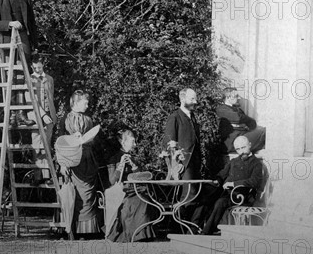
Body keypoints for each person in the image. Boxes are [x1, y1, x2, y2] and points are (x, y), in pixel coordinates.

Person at [58, 90, 102, 236]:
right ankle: (72, 230)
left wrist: (87, 139)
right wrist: (63, 164)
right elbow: (60, 142)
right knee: (74, 194)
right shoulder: (65, 118)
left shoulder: (88, 120)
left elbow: (93, 139)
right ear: (76, 102)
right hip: (72, 159)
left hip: (88, 160)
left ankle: (89, 231)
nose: (88, 105)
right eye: (85, 102)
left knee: (88, 194)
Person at [201, 136, 264, 235]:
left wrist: (234, 184)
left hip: (243, 196)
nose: (241, 151)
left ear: (250, 145)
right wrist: (218, 180)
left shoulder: (256, 163)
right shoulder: (234, 161)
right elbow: (223, 173)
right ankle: (195, 227)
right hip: (229, 194)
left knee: (220, 202)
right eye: (238, 149)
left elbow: (254, 181)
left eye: (243, 147)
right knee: (205, 198)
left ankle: (206, 232)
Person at [163, 88, 205, 227]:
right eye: (192, 99)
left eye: (195, 98)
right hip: (183, 163)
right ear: (182, 99)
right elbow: (168, 143)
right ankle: (180, 228)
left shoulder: (192, 117)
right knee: (188, 194)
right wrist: (176, 164)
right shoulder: (175, 117)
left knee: (196, 193)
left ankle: (190, 228)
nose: (195, 102)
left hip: (195, 163)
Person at [106, 129, 156, 243]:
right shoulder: (114, 158)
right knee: (135, 201)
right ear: (123, 142)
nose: (135, 145)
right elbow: (112, 181)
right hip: (122, 191)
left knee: (143, 198)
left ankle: (142, 234)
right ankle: (133, 234)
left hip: (136, 189)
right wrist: (121, 165)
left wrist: (133, 165)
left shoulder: (134, 158)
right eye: (132, 142)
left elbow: (141, 178)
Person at [29, 56, 57, 185]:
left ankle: (47, 175)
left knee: (47, 145)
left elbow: (50, 98)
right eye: (35, 68)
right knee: (37, 146)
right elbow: (32, 100)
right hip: (35, 117)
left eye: (40, 67)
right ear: (32, 67)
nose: (38, 70)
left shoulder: (49, 79)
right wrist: (42, 114)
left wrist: (51, 115)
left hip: (49, 117)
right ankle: (37, 176)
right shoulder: (29, 79)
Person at [217, 87, 266, 154]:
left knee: (263, 131)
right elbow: (238, 118)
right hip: (233, 142)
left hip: (242, 136)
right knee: (264, 131)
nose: (239, 98)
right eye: (236, 96)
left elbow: (252, 123)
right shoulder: (221, 109)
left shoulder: (237, 109)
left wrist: (243, 124)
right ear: (228, 97)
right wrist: (244, 123)